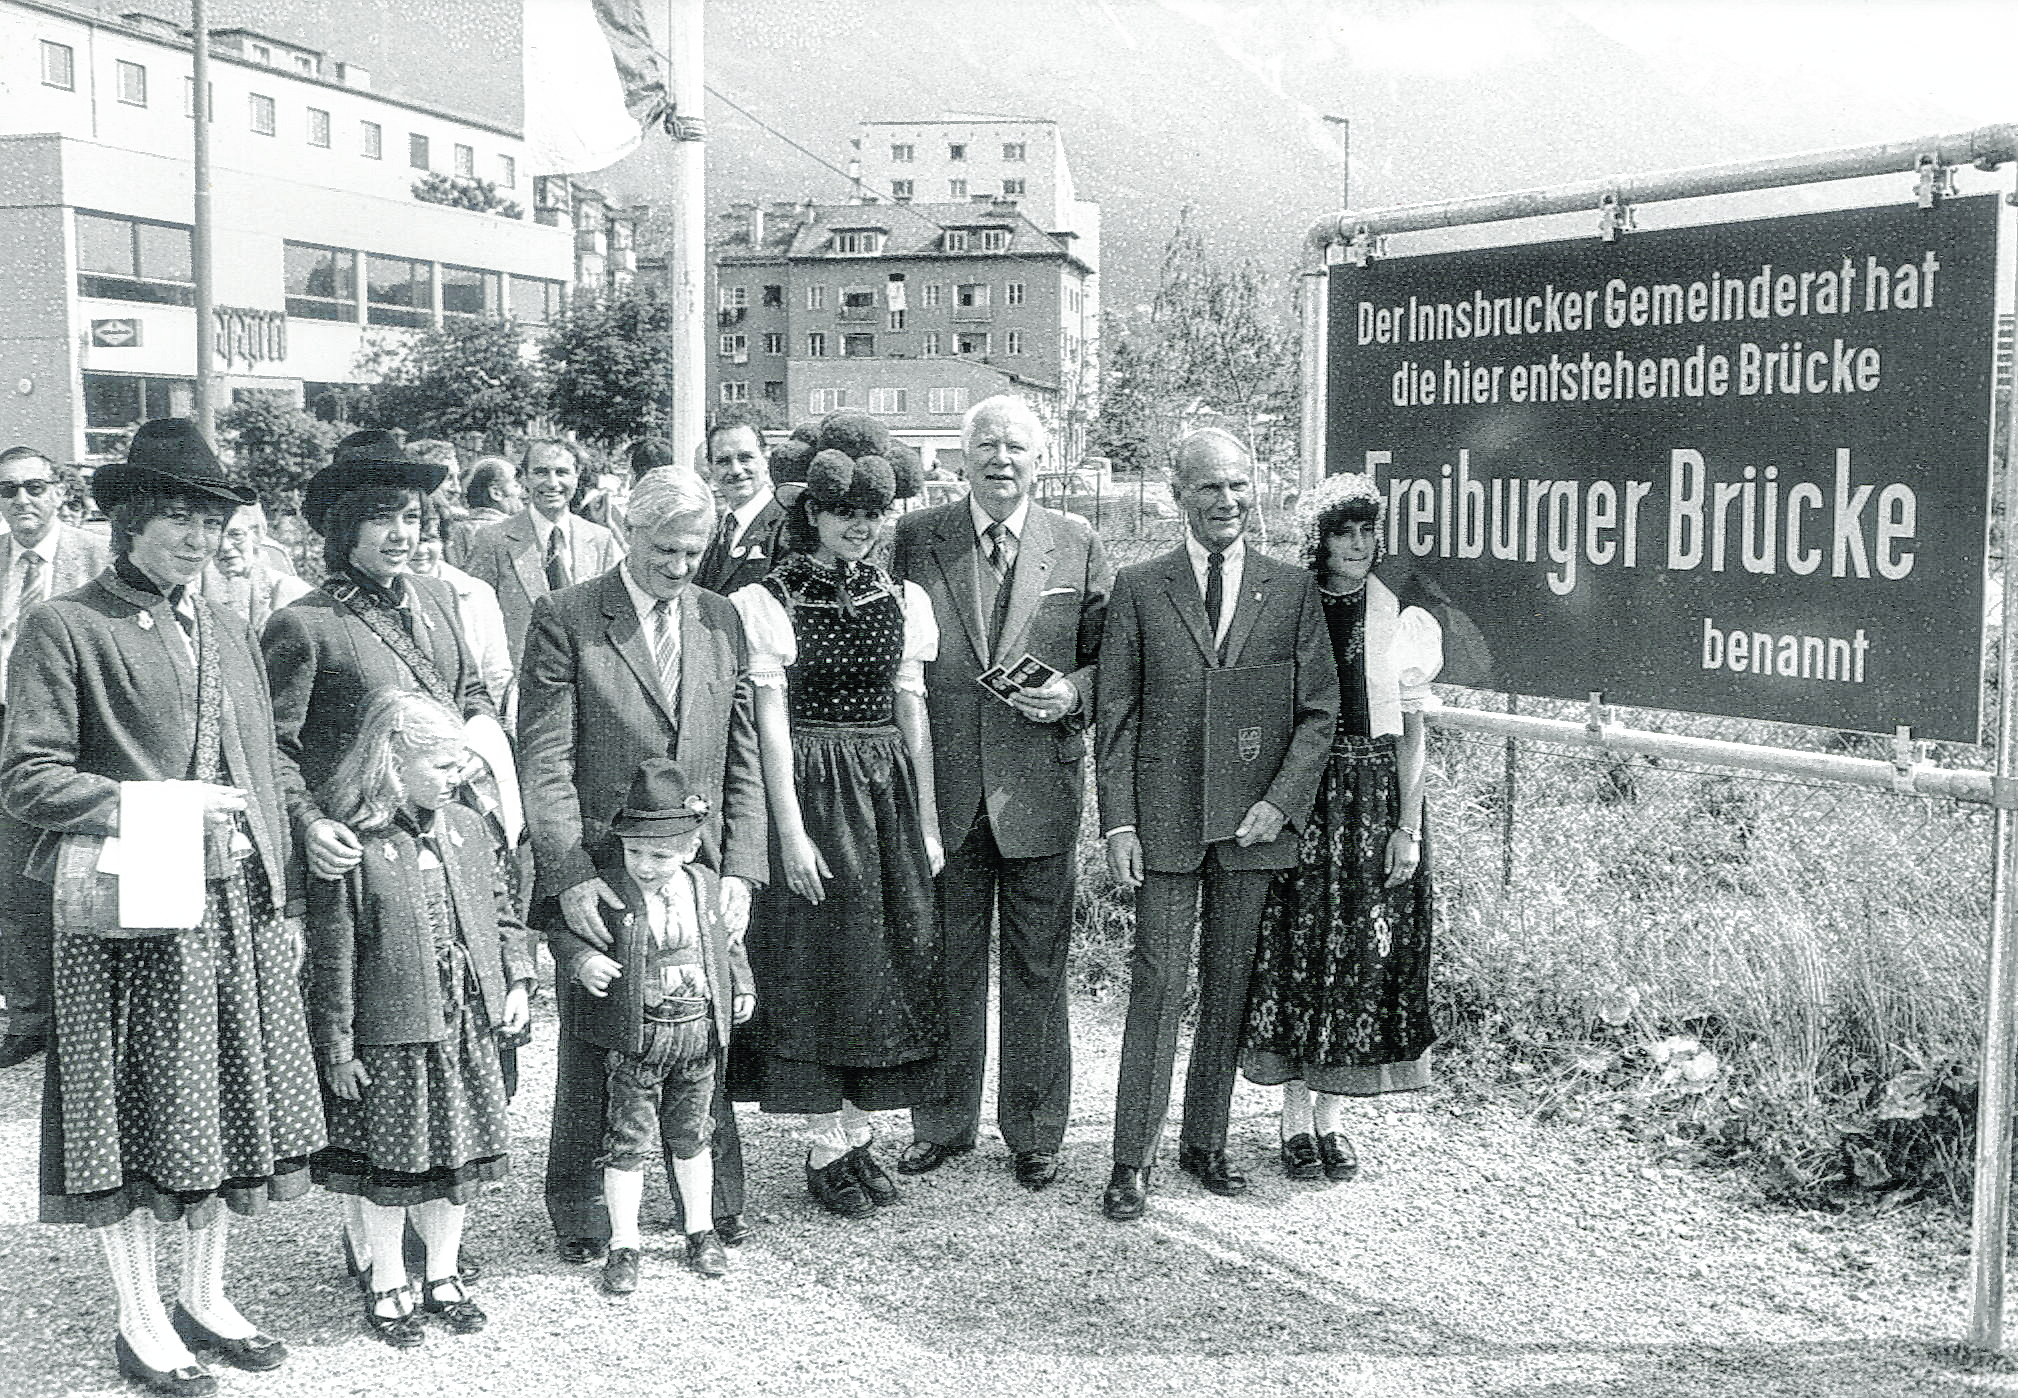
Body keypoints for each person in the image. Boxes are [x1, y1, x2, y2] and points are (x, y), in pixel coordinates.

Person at [0, 418, 322, 1389]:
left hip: (233, 912)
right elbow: (26, 777)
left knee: (224, 1113)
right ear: (132, 518)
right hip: (128, 915)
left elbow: (264, 772)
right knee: (133, 1122)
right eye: (177, 517)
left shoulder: (227, 626)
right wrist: (149, 802)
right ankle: (139, 1318)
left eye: (211, 518)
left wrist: (288, 902)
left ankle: (206, 1296)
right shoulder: (67, 624)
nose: (198, 536)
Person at [262, 429, 519, 1285]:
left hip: (444, 837)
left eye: (411, 517)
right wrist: (306, 824)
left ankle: (438, 1215)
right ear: (344, 530)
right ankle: (372, 1237)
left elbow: (469, 690)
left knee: (461, 1039)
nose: (401, 535)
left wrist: (479, 744)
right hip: (361, 864)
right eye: (381, 520)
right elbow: (275, 747)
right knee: (376, 1056)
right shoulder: (306, 623)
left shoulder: (438, 604)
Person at [518, 466, 766, 1264]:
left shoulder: (722, 617)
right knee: (600, 1039)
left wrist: (740, 868)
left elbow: (743, 754)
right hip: (603, 868)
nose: (679, 565)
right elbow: (546, 758)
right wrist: (569, 876)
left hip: (698, 866)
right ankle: (586, 1211)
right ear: (630, 532)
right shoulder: (567, 617)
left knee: (704, 1027)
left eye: (694, 550)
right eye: (665, 548)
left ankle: (711, 1204)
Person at [1095, 427, 1339, 1223]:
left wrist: (1281, 802)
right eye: (1209, 488)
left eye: (1238, 485)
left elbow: (1319, 713)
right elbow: (1118, 718)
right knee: (1158, 989)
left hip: (1252, 827)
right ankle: (1131, 1159)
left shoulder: (1291, 589)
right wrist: (1119, 824)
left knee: (1229, 987)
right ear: (1178, 497)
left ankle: (1206, 1143)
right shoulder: (1140, 585)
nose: (1227, 501)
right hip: (1164, 824)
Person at [889, 396, 1110, 1190]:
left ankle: (1035, 1129)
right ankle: (942, 1123)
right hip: (945, 789)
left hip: (1040, 787)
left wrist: (1075, 693)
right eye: (986, 445)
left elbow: (1110, 659)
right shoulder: (917, 539)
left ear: (1040, 459)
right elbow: (897, 655)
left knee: (1038, 967)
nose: (1002, 459)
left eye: (1017, 446)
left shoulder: (1077, 543)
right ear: (961, 458)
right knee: (946, 963)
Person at [726, 426, 945, 1219]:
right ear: (810, 512)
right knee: (819, 961)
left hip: (884, 787)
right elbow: (768, 723)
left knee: (884, 957)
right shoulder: (769, 599)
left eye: (872, 512)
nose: (860, 524)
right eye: (843, 511)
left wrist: (925, 818)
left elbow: (910, 707)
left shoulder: (902, 598)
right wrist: (788, 831)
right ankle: (822, 1141)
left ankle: (856, 1132)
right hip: (814, 785)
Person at [306, 691, 532, 1348]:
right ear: (392, 762)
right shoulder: (358, 843)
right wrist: (338, 1046)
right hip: (394, 1037)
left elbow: (503, 907)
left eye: (459, 763)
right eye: (439, 765)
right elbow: (335, 951)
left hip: (466, 1030)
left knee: (456, 1164)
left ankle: (441, 1275)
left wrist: (516, 980)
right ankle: (385, 1281)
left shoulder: (467, 827)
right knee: (393, 1170)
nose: (454, 776)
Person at [1242, 472, 1443, 1181]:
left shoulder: (1398, 616)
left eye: (1367, 531)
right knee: (1301, 954)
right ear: (1319, 540)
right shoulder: (1294, 607)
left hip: (1374, 802)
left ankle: (1332, 1118)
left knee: (1358, 959)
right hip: (1305, 796)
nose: (1357, 545)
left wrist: (1408, 829)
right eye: (1343, 532)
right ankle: (1293, 1120)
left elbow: (1414, 736)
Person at [551, 757, 755, 1293]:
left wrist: (743, 986)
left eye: (660, 854)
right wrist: (582, 960)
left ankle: (700, 1228)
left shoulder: (706, 887)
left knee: (694, 1136)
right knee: (627, 1141)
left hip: (697, 1040)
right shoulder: (611, 891)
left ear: (690, 848)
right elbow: (563, 932)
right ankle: (624, 1242)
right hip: (638, 1042)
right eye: (635, 851)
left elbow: (729, 945)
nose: (645, 865)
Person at [0, 445, 110, 1071]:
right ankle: (31, 1017)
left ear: (60, 492)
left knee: (83, 874)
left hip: (80, 741)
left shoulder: (96, 557)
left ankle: (89, 1015)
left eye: (34, 487)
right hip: (10, 738)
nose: (22, 501)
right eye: (8, 490)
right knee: (14, 885)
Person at [462, 439, 623, 668]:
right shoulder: (494, 540)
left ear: (576, 477)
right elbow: (473, 617)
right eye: (540, 472)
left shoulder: (599, 539)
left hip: (586, 679)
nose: (552, 482)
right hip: (523, 680)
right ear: (524, 478)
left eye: (562, 472)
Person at [409, 506, 516, 733]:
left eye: (429, 539)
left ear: (445, 541)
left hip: (469, 723)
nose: (421, 550)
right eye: (414, 541)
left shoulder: (474, 592)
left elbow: (496, 673)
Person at [694, 422, 786, 597]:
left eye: (745, 458)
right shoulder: (713, 528)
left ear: (765, 458)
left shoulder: (786, 524)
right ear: (711, 467)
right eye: (723, 461)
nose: (735, 470)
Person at [199, 502, 312, 634]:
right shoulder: (195, 585)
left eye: (236, 535)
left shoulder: (286, 588)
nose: (224, 546)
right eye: (216, 536)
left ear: (256, 535)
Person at [444, 457, 520, 568]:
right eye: (516, 486)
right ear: (496, 493)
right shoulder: (514, 532)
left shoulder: (453, 532)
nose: (522, 493)